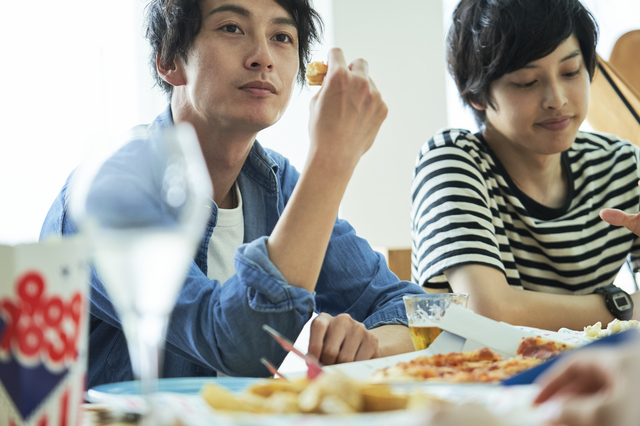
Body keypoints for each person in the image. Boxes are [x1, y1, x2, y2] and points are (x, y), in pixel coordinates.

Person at [41, 0, 422, 388]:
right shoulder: (113, 189)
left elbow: (417, 312)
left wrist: (369, 344)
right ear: (170, 61)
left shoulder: (280, 184)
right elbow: (240, 344)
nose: (263, 58)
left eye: (281, 37)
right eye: (231, 28)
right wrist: (332, 160)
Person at [410, 0, 640, 331]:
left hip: (591, 376)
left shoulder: (620, 163)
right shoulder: (452, 158)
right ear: (476, 94)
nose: (557, 99)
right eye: (527, 82)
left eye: (570, 72)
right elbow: (488, 311)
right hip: (477, 375)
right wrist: (624, 305)